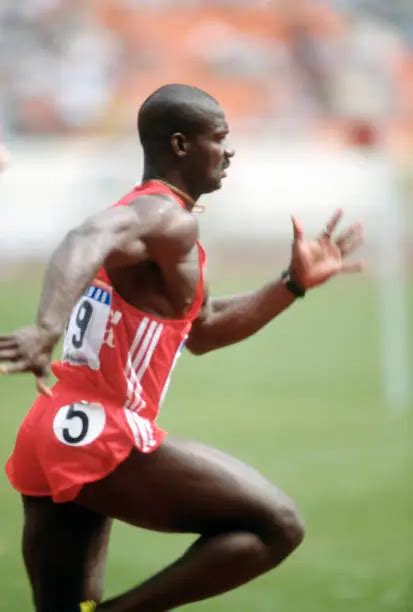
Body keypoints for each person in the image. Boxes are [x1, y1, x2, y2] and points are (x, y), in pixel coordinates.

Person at [1, 84, 363, 612]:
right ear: (179, 146)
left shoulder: (161, 226)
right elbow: (84, 238)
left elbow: (206, 329)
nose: (230, 151)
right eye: (218, 138)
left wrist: (291, 284)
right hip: (101, 430)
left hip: (53, 425)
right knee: (275, 527)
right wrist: (44, 327)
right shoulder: (166, 215)